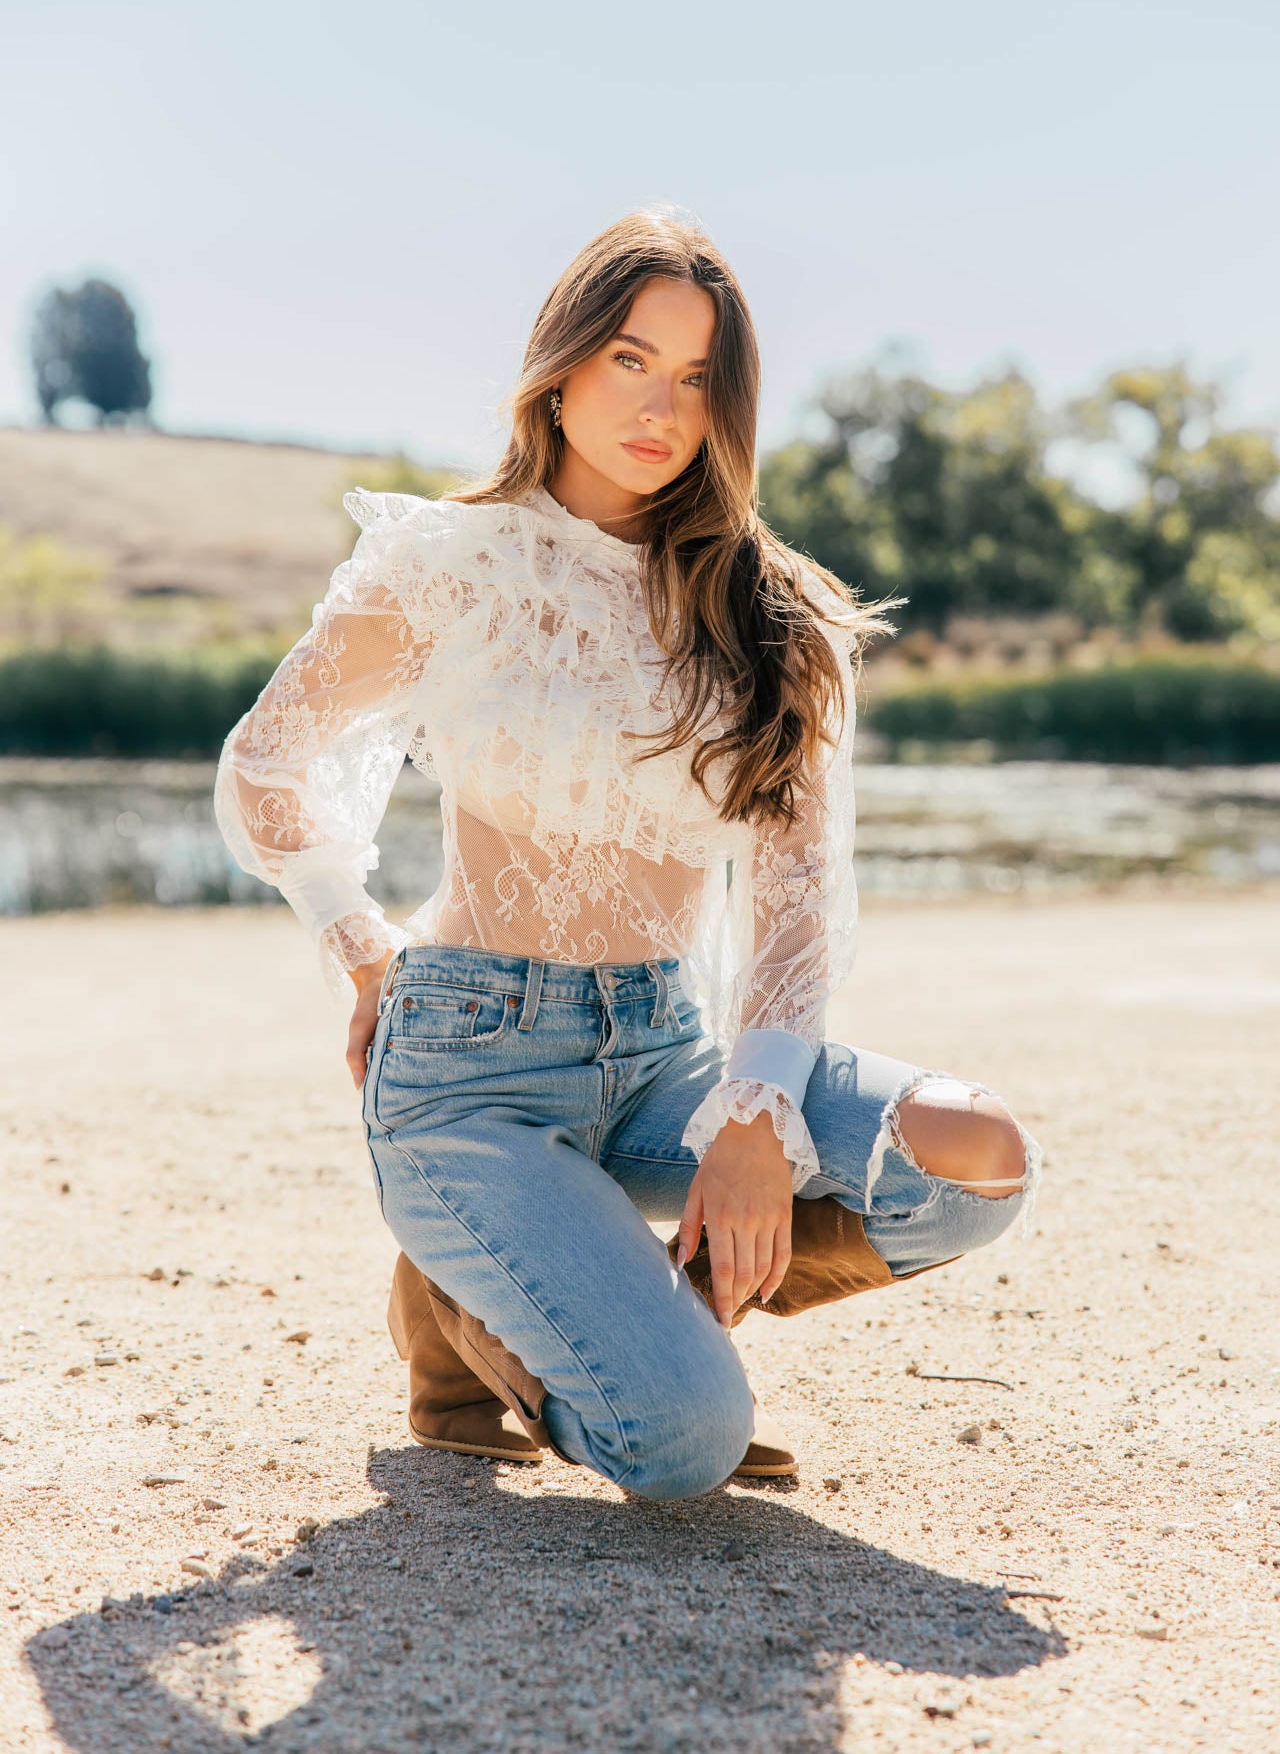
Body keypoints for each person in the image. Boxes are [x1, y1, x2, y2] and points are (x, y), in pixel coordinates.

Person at [214, 207, 1041, 1502]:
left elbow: (795, 901)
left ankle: (636, 1309)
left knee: (974, 1160)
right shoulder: (450, 569)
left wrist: (758, 1109)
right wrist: (359, 948)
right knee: (684, 1445)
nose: (662, 406)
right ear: (565, 360)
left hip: (668, 1055)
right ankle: (492, 1319)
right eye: (630, 361)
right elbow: (266, 761)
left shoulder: (776, 622)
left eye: (699, 378)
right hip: (468, 1070)